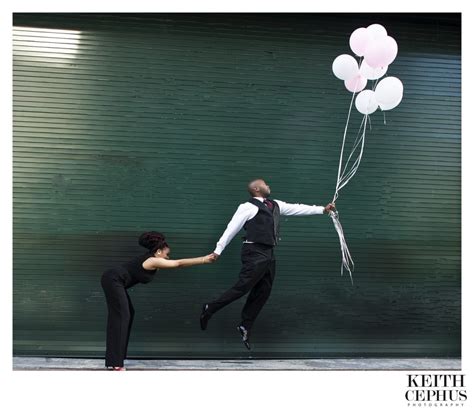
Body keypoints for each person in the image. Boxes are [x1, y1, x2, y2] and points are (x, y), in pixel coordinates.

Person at [200, 179, 335, 350]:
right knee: (243, 286)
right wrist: (218, 250)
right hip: (253, 251)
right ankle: (210, 307)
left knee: (263, 291)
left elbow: (297, 207)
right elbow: (231, 228)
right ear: (256, 189)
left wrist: (322, 209)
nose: (269, 185)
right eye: (265, 184)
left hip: (269, 252)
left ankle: (245, 325)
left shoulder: (275, 204)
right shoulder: (247, 207)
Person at [101, 231, 215, 370]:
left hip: (116, 281)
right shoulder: (152, 260)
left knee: (128, 314)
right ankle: (115, 363)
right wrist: (204, 259)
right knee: (121, 317)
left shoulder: (152, 260)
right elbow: (178, 264)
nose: (168, 257)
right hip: (113, 279)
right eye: (167, 254)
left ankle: (116, 359)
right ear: (159, 251)